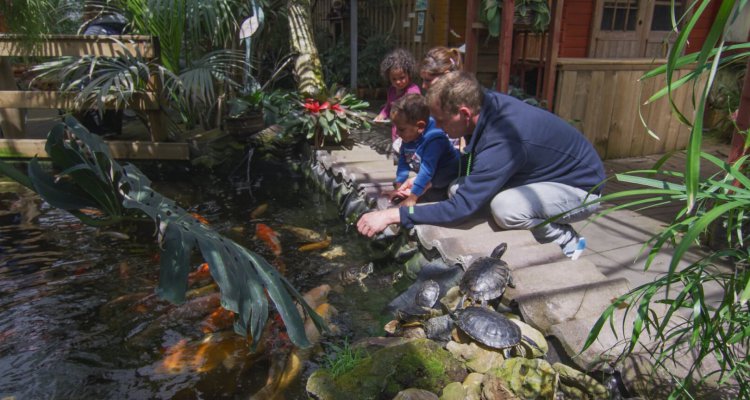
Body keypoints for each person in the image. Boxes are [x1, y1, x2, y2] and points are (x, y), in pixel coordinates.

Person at [357, 71, 606, 259]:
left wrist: (394, 215)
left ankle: (567, 240)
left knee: (506, 209)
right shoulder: (485, 106)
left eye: (441, 121)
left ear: (464, 113)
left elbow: (462, 208)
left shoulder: (504, 137)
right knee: (456, 187)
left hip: (580, 188)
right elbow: (467, 171)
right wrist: (427, 182)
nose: (439, 127)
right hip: (538, 174)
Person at [389, 93, 459, 207]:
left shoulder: (434, 140)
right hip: (431, 178)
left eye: (401, 129)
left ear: (420, 126)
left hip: (445, 179)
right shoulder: (410, 134)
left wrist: (413, 197)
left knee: (422, 203)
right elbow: (403, 161)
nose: (397, 133)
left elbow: (426, 171)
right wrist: (398, 186)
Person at [374, 48, 422, 153]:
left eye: (402, 77)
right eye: (394, 79)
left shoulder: (413, 91)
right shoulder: (391, 91)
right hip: (396, 135)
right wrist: (382, 115)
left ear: (409, 73)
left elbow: (416, 113)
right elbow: (388, 107)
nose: (398, 82)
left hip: (411, 136)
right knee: (399, 160)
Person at [419, 46, 464, 150]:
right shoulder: (432, 101)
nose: (423, 86)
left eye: (428, 80)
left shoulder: (460, 102)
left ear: (446, 76)